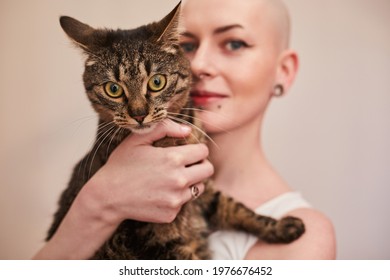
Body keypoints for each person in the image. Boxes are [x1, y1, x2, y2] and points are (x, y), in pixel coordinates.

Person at [34, 0, 336, 260]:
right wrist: (95, 205)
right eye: (187, 45)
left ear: (284, 70)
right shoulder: (101, 173)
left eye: (234, 43)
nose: (198, 64)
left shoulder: (309, 239)